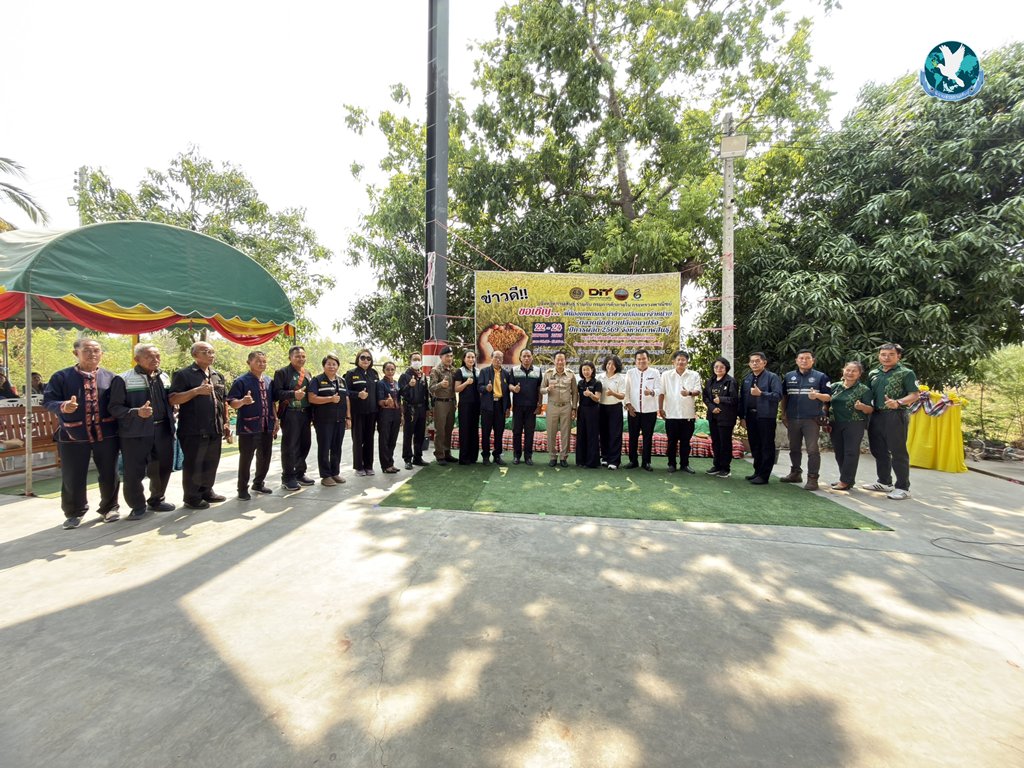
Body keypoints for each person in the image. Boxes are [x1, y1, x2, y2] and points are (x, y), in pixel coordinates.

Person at [43, 338, 121, 529]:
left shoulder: (111, 377)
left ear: (101, 354)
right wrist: (63, 406)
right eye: (87, 350)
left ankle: (110, 508)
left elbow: (118, 404)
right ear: (75, 353)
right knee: (73, 475)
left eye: (96, 350)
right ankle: (74, 512)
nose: (92, 354)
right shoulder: (61, 377)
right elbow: (48, 401)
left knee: (109, 473)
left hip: (106, 434)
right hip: (72, 433)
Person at [108, 343, 176, 519]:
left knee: (162, 467)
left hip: (162, 429)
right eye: (149, 356)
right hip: (135, 432)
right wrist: (136, 412)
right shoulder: (123, 379)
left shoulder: (164, 377)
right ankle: (137, 505)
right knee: (134, 471)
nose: (155, 359)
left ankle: (157, 500)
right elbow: (114, 408)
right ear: (137, 359)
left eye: (157, 356)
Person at [169, 341, 229, 509]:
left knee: (211, 462)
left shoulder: (217, 375)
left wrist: (225, 422)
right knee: (194, 464)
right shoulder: (183, 374)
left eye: (212, 352)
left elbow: (223, 400)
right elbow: (173, 399)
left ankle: (206, 491)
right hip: (193, 430)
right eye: (206, 352)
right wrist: (196, 391)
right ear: (195, 355)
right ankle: (192, 497)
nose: (211, 355)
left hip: (215, 427)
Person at [865, 343, 920, 500]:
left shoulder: (906, 373)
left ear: (898, 356)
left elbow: (915, 394)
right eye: (883, 354)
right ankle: (884, 482)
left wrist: (898, 402)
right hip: (876, 415)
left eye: (891, 354)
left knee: (898, 451)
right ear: (879, 356)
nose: (886, 357)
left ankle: (903, 487)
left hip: (896, 415)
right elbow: (867, 393)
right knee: (878, 450)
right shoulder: (874, 373)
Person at [227, 350, 278, 500]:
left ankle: (259, 483)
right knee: (246, 459)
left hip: (266, 425)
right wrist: (243, 401)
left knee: (265, 457)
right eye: (258, 361)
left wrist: (275, 419)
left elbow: (272, 403)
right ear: (249, 363)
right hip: (248, 426)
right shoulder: (241, 381)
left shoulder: (269, 381)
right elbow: (231, 402)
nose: (262, 364)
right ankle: (242, 488)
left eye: (264, 361)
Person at [780, 349, 832, 491]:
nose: (804, 360)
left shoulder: (821, 377)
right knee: (794, 448)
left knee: (812, 450)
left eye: (807, 358)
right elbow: (785, 396)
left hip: (811, 420)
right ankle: (795, 473)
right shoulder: (789, 376)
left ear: (813, 360)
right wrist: (783, 414)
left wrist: (817, 396)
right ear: (796, 360)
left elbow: (828, 397)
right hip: (793, 419)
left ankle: (813, 478)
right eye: (801, 358)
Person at [826, 361, 874, 491]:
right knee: (839, 452)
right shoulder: (835, 386)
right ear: (843, 371)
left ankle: (845, 481)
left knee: (851, 452)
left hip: (854, 423)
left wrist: (862, 407)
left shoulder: (864, 390)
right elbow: (826, 403)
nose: (850, 373)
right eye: (848, 370)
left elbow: (870, 409)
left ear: (859, 374)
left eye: (854, 371)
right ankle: (847, 479)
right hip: (835, 423)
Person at [273, 345, 315, 490]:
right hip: (290, 413)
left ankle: (300, 473)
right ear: (290, 357)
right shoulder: (282, 373)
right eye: (297, 356)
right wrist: (293, 394)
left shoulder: (307, 373)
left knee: (305, 444)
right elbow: (276, 393)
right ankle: (287, 477)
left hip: (305, 413)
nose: (300, 359)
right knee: (290, 446)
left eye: (303, 356)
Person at [738, 351, 783, 485]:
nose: (755, 363)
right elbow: (743, 399)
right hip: (750, 417)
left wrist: (761, 393)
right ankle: (757, 472)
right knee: (755, 445)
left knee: (766, 445)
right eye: (752, 361)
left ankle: (764, 475)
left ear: (764, 362)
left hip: (766, 416)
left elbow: (778, 396)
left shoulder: (772, 377)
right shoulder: (747, 379)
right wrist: (742, 417)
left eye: (757, 361)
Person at [658, 350, 702, 474]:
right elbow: (661, 393)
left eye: (683, 360)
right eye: (678, 359)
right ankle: (671, 464)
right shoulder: (666, 375)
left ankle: (685, 465)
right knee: (671, 442)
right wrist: (660, 408)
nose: (681, 362)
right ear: (674, 361)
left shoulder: (694, 375)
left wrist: (689, 392)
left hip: (687, 414)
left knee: (685, 442)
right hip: (671, 414)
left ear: (687, 362)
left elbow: (698, 391)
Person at [307, 353, 347, 486]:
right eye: (328, 364)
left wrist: (348, 417)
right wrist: (330, 399)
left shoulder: (342, 381)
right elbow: (311, 398)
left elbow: (346, 399)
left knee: (337, 447)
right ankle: (325, 476)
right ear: (324, 366)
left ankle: (335, 473)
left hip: (340, 420)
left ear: (338, 366)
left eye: (334, 364)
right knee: (324, 448)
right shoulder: (317, 380)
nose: (331, 366)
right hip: (323, 421)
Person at [623, 349, 661, 471]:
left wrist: (652, 392)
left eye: (644, 359)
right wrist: (628, 405)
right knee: (633, 437)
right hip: (633, 410)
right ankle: (633, 461)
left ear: (648, 360)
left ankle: (646, 462)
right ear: (635, 361)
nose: (641, 361)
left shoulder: (655, 372)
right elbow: (626, 391)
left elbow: (660, 389)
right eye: (638, 359)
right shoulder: (630, 373)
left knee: (647, 437)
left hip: (649, 411)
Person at [344, 349, 380, 476]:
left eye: (368, 358)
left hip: (372, 412)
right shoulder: (351, 374)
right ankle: (359, 467)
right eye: (363, 357)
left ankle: (369, 466)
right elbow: (345, 392)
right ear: (358, 359)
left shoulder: (374, 373)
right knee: (358, 439)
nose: (366, 360)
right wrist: (358, 394)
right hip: (358, 412)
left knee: (369, 439)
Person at [702, 357, 738, 477]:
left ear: (726, 368)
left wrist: (721, 399)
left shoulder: (731, 381)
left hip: (726, 417)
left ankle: (725, 468)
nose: (718, 369)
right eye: (716, 367)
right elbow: (705, 397)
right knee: (715, 442)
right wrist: (712, 407)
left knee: (725, 443)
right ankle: (716, 465)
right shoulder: (710, 381)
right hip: (713, 416)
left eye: (722, 367)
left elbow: (734, 399)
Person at [477, 349, 514, 465]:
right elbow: (479, 387)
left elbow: (507, 393)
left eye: (500, 358)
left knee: (499, 432)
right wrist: (485, 388)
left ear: (503, 360)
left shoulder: (506, 374)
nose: (498, 360)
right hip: (487, 406)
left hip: (500, 406)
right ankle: (485, 456)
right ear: (491, 358)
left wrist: (508, 407)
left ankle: (497, 456)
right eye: (496, 357)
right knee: (486, 432)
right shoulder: (484, 371)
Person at [542, 351, 577, 467]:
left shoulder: (571, 374)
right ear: (554, 361)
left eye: (562, 360)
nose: (560, 362)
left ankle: (563, 457)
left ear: (565, 361)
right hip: (552, 406)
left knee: (566, 433)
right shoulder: (548, 374)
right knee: (551, 432)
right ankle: (552, 456)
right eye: (558, 359)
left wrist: (574, 408)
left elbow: (575, 393)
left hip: (566, 406)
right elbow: (541, 389)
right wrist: (547, 389)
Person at [510, 349, 542, 465]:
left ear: (532, 357)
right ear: (520, 358)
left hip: (532, 407)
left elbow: (540, 389)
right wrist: (514, 389)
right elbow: (510, 384)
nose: (526, 358)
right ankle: (516, 456)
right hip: (518, 406)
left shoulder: (538, 371)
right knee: (516, 431)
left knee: (530, 432)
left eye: (529, 356)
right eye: (524, 356)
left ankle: (528, 456)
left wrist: (539, 405)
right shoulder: (514, 370)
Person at [398, 353, 429, 469]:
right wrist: (409, 385)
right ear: (410, 361)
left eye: (419, 359)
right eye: (414, 359)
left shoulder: (422, 375)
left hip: (421, 408)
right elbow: (400, 392)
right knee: (408, 434)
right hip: (410, 408)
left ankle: (418, 457)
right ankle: (407, 459)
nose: (417, 361)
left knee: (420, 434)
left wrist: (427, 408)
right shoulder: (405, 376)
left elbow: (426, 393)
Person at [428, 346, 457, 465]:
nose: (449, 358)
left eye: (451, 356)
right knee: (440, 430)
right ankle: (439, 455)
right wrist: (440, 384)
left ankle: (447, 452)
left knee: (449, 429)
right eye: (447, 356)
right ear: (441, 357)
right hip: (440, 403)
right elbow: (431, 388)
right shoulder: (436, 370)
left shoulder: (454, 370)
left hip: (451, 402)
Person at [597, 355, 626, 470]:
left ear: (617, 366)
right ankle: (605, 457)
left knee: (615, 434)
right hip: (601, 407)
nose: (610, 366)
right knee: (603, 433)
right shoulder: (600, 377)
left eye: (613, 364)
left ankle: (614, 461)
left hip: (615, 408)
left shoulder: (620, 378)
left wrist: (613, 393)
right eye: (609, 363)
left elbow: (622, 395)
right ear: (605, 365)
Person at [453, 350, 480, 464]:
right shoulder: (460, 371)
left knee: (474, 430)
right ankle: (464, 457)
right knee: (465, 430)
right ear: (464, 359)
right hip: (465, 405)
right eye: (468, 357)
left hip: (476, 405)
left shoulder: (477, 371)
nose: (471, 359)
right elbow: (456, 389)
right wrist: (466, 383)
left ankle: (473, 457)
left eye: (473, 357)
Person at [575, 361, 602, 468]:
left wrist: (590, 394)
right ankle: (581, 461)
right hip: (582, 410)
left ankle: (592, 462)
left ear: (592, 370)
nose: (586, 372)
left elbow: (597, 398)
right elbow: (577, 397)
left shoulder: (597, 383)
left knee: (592, 435)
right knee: (581, 435)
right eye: (584, 370)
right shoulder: (580, 383)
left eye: (588, 369)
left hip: (593, 411)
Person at [377, 361, 402, 473]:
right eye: (388, 369)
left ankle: (391, 463)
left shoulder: (396, 383)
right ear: (384, 371)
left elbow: (399, 400)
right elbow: (379, 400)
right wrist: (386, 402)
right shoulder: (381, 383)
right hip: (385, 414)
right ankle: (385, 465)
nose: (390, 371)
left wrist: (401, 414)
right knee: (384, 440)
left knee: (393, 439)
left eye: (392, 369)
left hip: (396, 413)